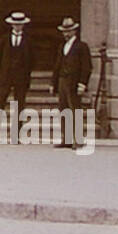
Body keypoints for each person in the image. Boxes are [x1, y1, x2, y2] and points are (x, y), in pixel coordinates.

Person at [50, 16, 93, 149]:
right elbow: (58, 65)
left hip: (74, 82)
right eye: (64, 31)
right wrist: (54, 83)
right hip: (63, 80)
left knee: (75, 110)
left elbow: (87, 66)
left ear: (74, 31)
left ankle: (78, 139)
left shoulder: (82, 46)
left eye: (69, 31)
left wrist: (82, 83)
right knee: (64, 110)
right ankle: (66, 138)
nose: (66, 34)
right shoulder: (62, 46)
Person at [0, 11, 33, 143]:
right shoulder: (3, 39)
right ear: (11, 25)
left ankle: (16, 136)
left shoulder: (28, 40)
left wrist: (27, 75)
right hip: (5, 77)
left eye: (20, 25)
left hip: (21, 78)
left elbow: (32, 61)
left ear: (23, 26)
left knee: (19, 106)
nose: (17, 27)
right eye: (15, 24)